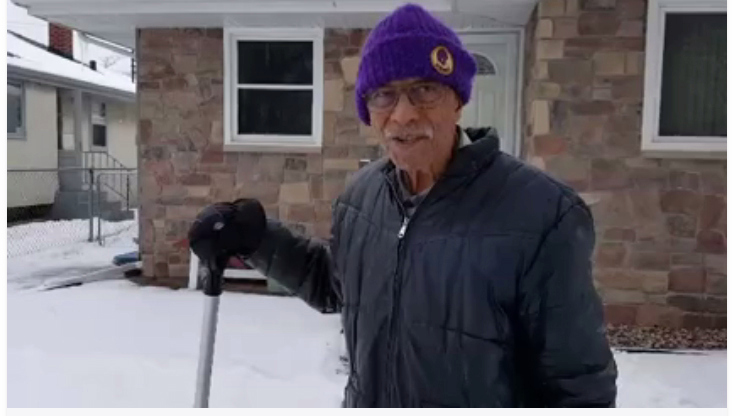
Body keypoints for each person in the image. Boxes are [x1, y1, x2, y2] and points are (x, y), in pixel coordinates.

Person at [189, 3, 617, 408]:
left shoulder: (542, 215)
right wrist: (258, 239)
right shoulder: (361, 197)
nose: (404, 114)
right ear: (368, 111)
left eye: (425, 90)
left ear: (458, 99)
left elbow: (579, 388)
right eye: (384, 96)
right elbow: (336, 286)